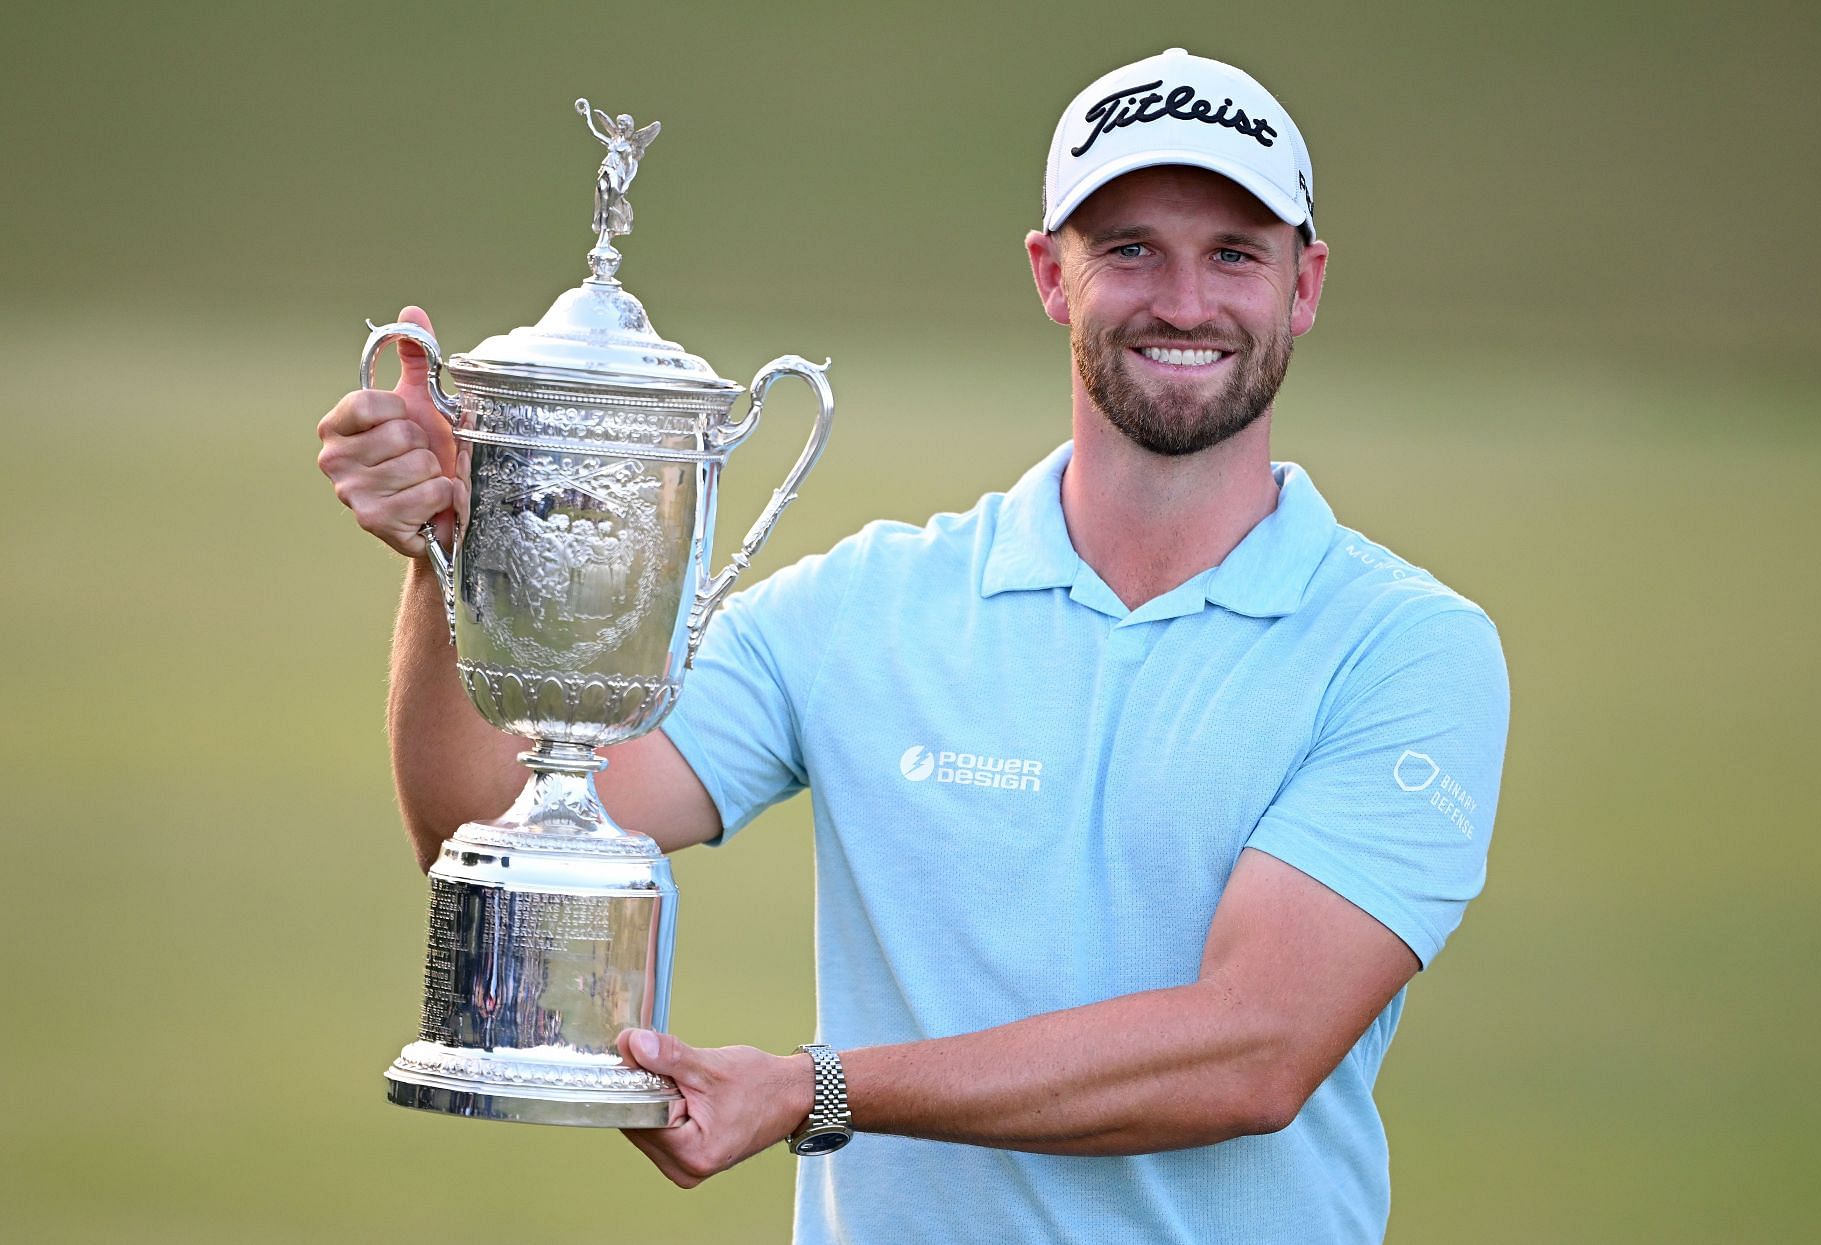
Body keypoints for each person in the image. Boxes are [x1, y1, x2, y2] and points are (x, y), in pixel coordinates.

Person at [317, 47, 1509, 1245]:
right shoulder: (866, 605)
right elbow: (482, 819)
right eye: (1132, 249)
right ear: (1053, 274)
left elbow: (1254, 1050)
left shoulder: (1406, 652)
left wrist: (818, 1090)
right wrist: (459, 551)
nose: (1186, 302)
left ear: (1304, 286)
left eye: (1235, 255)